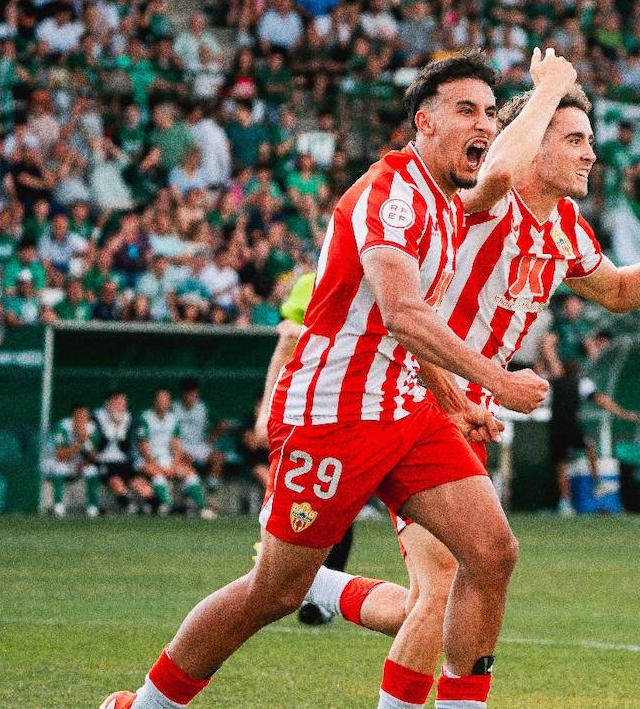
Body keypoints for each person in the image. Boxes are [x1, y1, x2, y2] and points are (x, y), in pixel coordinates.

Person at [102, 51, 551, 709]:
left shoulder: (449, 201)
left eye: (489, 111)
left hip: (402, 408)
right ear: (423, 122)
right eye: (465, 110)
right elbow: (403, 314)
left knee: (491, 552)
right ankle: (145, 704)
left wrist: (453, 401)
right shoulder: (391, 192)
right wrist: (497, 382)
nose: (481, 124)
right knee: (272, 593)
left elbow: (500, 169)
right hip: (334, 414)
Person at [293, 70, 640, 679]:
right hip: (416, 393)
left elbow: (620, 291)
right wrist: (543, 95)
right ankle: (303, 584)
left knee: (436, 600)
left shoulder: (565, 228)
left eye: (589, 139)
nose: (590, 152)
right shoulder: (482, 201)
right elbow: (492, 176)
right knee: (440, 593)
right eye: (572, 138)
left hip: (465, 414)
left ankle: (318, 585)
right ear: (532, 142)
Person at [251, 270, 373, 624]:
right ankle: (279, 576)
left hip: (357, 411)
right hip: (304, 410)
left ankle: (317, 594)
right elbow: (285, 344)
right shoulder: (312, 282)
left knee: (340, 506)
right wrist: (265, 410)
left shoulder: (391, 278)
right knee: (294, 504)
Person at [548, 357, 640, 514]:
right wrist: (622, 413)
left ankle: (566, 503)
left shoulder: (552, 383)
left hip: (556, 427)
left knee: (561, 465)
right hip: (570, 425)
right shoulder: (581, 383)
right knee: (589, 448)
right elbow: (600, 399)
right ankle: (596, 483)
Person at [136, 387, 212, 518]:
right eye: (160, 400)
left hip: (167, 459)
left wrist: (174, 465)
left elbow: (176, 445)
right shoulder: (145, 417)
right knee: (158, 475)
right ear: (154, 401)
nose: (163, 403)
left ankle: (202, 508)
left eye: (166, 400)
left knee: (190, 473)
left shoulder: (172, 419)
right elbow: (143, 446)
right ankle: (167, 506)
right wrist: (157, 466)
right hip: (146, 459)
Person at [93, 388, 155, 514]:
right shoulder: (97, 417)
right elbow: (99, 447)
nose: (122, 405)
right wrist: (112, 425)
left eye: (123, 402)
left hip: (122, 460)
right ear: (109, 402)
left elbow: (125, 447)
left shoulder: (128, 417)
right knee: (116, 481)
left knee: (139, 483)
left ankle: (157, 505)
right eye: (119, 402)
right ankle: (127, 505)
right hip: (104, 460)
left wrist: (120, 427)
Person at [46, 404, 100, 518]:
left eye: (85, 417)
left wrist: (84, 459)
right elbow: (60, 455)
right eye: (79, 417)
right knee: (59, 467)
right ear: (73, 417)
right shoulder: (62, 426)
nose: (82, 420)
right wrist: (79, 442)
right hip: (56, 461)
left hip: (79, 462)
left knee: (92, 469)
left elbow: (95, 458)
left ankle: (92, 507)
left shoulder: (92, 428)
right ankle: (58, 506)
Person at [174, 377, 226, 493]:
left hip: (200, 445)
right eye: (189, 393)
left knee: (218, 457)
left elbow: (222, 425)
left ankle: (211, 487)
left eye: (195, 392)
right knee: (185, 459)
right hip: (181, 446)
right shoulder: (174, 408)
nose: (192, 396)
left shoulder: (203, 407)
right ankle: (191, 488)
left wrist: (211, 438)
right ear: (183, 394)